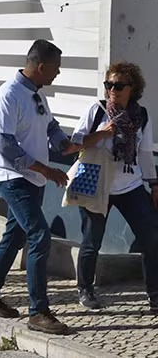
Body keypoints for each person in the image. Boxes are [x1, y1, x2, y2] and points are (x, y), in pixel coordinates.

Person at [0, 39, 81, 335]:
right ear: (42, 67)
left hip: (33, 179)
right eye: (56, 69)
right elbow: (6, 146)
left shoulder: (36, 95)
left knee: (14, 236)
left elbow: (49, 126)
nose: (57, 75)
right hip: (13, 178)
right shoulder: (9, 94)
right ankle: (38, 312)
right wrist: (47, 170)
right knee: (39, 236)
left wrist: (65, 143)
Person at [70, 62, 158, 314]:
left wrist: (154, 185)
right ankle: (85, 289)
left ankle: (155, 297)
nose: (113, 90)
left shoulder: (141, 116)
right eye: (109, 85)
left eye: (119, 86)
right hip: (98, 184)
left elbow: (144, 152)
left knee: (151, 238)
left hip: (130, 186)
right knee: (92, 241)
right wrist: (102, 134)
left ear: (133, 88)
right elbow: (75, 143)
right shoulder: (96, 111)